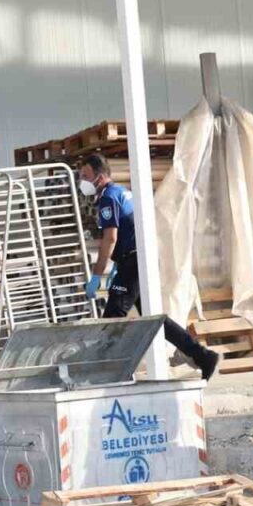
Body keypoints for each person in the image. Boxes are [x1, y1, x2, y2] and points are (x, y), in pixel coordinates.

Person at [79, 153, 220, 379]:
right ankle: (202, 356)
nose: (82, 181)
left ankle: (101, 371)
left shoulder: (108, 198)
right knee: (153, 319)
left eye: (86, 176)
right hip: (139, 259)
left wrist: (97, 276)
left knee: (114, 314)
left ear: (101, 177)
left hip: (134, 262)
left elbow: (110, 238)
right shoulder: (122, 192)